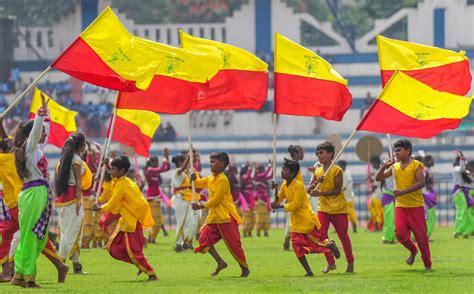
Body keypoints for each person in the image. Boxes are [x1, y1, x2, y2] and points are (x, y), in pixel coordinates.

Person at [11, 95, 69, 287]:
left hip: (37, 193)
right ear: (31, 136)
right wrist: (39, 116)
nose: (44, 134)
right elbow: (36, 133)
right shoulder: (29, 148)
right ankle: (28, 277)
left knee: (36, 236)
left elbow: (40, 133)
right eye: (41, 132)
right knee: (31, 236)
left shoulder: (34, 150)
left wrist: (46, 117)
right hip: (34, 193)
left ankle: (19, 275)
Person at [93, 156, 157, 281]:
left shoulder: (122, 185)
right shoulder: (122, 181)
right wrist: (107, 166)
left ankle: (151, 273)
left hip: (131, 223)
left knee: (134, 251)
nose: (111, 172)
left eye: (113, 169)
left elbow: (112, 203)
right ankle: (139, 264)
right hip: (125, 222)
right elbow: (113, 181)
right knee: (113, 249)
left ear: (122, 171)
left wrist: (100, 208)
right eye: (110, 169)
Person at [272, 158, 340, 276]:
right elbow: (279, 198)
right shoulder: (284, 185)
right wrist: (276, 191)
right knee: (297, 248)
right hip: (295, 223)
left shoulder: (298, 186)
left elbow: (295, 206)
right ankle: (309, 272)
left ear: (292, 173)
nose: (282, 172)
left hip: (306, 221)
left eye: (285, 170)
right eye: (282, 169)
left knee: (315, 244)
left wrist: (279, 206)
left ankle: (330, 245)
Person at [375, 139, 432, 270]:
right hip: (401, 206)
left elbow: (421, 183)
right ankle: (413, 250)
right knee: (400, 234)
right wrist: (384, 166)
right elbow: (378, 178)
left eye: (399, 150)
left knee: (421, 237)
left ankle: (427, 265)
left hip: (416, 206)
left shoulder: (416, 165)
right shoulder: (394, 167)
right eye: (395, 150)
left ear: (408, 151)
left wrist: (402, 192)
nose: (396, 153)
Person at [191, 152, 249, 277]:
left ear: (222, 164)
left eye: (213, 162)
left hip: (226, 218)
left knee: (234, 245)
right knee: (203, 239)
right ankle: (220, 262)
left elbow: (216, 200)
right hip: (214, 217)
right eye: (210, 161)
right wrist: (194, 175)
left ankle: (244, 267)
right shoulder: (211, 178)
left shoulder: (223, 180)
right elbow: (199, 182)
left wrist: (200, 206)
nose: (210, 164)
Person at [308, 142, 354, 273]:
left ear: (330, 154)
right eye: (317, 153)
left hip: (338, 208)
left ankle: (350, 262)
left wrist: (320, 193)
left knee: (343, 236)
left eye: (321, 153)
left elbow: (337, 190)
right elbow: (309, 189)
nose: (319, 156)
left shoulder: (337, 170)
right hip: (323, 208)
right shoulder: (318, 171)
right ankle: (331, 262)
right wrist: (316, 183)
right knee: (321, 235)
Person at [54, 133, 92, 274]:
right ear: (81, 145)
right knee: (73, 232)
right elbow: (78, 181)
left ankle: (77, 266)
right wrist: (77, 199)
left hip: (62, 199)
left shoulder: (62, 160)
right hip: (72, 198)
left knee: (67, 232)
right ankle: (60, 263)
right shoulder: (76, 160)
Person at [171, 153, 200, 252]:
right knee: (181, 222)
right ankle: (178, 245)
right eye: (184, 161)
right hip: (180, 200)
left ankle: (184, 243)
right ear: (180, 162)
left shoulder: (185, 173)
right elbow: (183, 168)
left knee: (189, 222)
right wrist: (189, 157)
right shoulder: (177, 172)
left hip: (186, 200)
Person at [144, 149, 171, 244]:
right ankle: (151, 238)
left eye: (157, 161)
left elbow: (167, 168)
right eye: (154, 161)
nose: (156, 163)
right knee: (155, 221)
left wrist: (167, 157)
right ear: (150, 162)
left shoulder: (155, 171)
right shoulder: (150, 170)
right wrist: (164, 158)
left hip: (157, 197)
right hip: (151, 198)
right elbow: (162, 168)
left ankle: (151, 238)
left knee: (158, 221)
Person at [452, 151, 474, 238]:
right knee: (462, 211)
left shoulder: (464, 171)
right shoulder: (456, 168)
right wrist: (462, 157)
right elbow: (462, 168)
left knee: (466, 212)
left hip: (463, 192)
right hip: (459, 192)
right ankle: (458, 231)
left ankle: (466, 231)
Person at [337, 160, 357, 233]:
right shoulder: (346, 173)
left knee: (349, 213)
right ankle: (341, 228)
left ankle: (354, 225)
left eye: (339, 165)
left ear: (342, 166)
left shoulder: (345, 174)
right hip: (346, 197)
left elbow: (343, 187)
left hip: (346, 197)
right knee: (343, 213)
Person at [253, 162, 272, 237]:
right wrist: (270, 166)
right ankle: (258, 232)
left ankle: (265, 231)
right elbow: (266, 174)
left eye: (258, 169)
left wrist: (272, 168)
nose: (257, 170)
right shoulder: (258, 176)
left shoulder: (263, 177)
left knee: (266, 217)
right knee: (259, 217)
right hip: (259, 200)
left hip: (265, 199)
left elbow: (270, 176)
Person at [422, 155, 437, 239]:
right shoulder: (424, 170)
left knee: (430, 216)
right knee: (427, 216)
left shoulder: (428, 170)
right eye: (431, 160)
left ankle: (426, 235)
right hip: (425, 195)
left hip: (428, 194)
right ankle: (425, 235)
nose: (432, 162)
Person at [240, 163, 255, 237]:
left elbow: (252, 176)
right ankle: (245, 232)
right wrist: (250, 168)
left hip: (251, 199)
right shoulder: (243, 177)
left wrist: (252, 168)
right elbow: (247, 176)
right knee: (247, 217)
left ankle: (250, 231)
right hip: (246, 200)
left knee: (252, 217)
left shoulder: (250, 179)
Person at [381, 173, 396, 244]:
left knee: (390, 219)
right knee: (389, 220)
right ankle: (387, 238)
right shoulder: (389, 172)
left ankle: (391, 238)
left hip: (390, 196)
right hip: (388, 196)